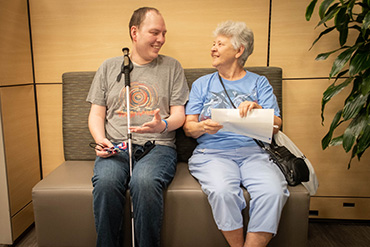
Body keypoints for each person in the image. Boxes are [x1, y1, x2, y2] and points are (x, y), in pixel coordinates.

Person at [86, 7, 189, 247]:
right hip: (117, 147)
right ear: (135, 32)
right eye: (155, 32)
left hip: (158, 147)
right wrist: (102, 140)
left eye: (164, 33)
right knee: (106, 183)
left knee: (144, 182)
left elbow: (179, 116)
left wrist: (162, 125)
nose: (161, 39)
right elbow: (96, 115)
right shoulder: (109, 67)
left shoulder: (172, 67)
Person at [183, 21, 289, 247]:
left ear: (239, 50)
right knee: (222, 191)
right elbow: (188, 127)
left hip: (254, 153)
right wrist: (203, 127)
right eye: (213, 43)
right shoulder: (202, 84)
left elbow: (278, 125)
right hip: (212, 153)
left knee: (273, 192)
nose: (213, 48)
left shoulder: (260, 83)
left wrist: (260, 112)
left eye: (219, 44)